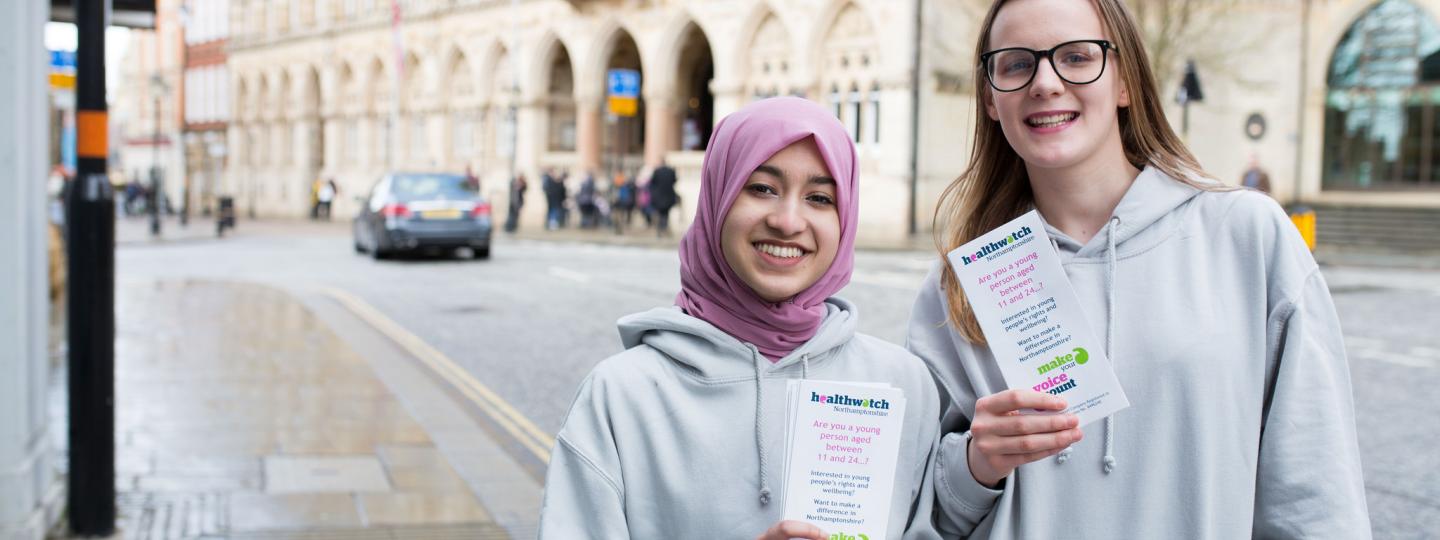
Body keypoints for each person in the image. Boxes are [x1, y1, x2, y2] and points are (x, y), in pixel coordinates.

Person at [906, 0, 1370, 538]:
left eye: (1077, 57)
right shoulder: (958, 287)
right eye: (1016, 63)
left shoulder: (1246, 234)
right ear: (990, 98)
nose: (1046, 82)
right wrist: (973, 468)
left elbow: (1314, 496)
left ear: (1125, 81)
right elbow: (923, 516)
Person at [538, 97, 943, 540]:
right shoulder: (620, 396)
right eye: (762, 188)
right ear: (718, 197)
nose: (788, 221)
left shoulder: (901, 382)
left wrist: (979, 473)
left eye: (820, 197)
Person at [649, 159, 678, 236]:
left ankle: (660, 229)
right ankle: (663, 227)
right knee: (666, 213)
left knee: (660, 213)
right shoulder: (671, 171)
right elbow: (675, 181)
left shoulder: (657, 171)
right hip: (668, 195)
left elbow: (652, 182)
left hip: (659, 195)